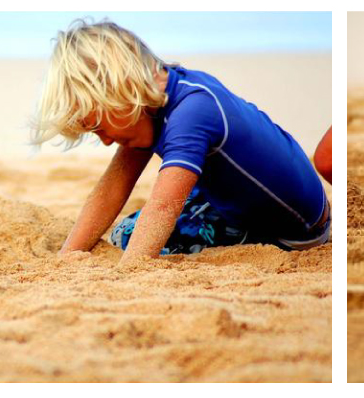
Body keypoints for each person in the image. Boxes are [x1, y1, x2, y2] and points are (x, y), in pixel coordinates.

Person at [32, 19, 331, 264]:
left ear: (120, 88)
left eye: (99, 127)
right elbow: (114, 185)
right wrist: (68, 255)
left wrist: (127, 273)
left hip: (295, 231)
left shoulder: (192, 112)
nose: (107, 142)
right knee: (133, 227)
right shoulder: (161, 98)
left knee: (127, 235)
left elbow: (162, 208)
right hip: (256, 202)